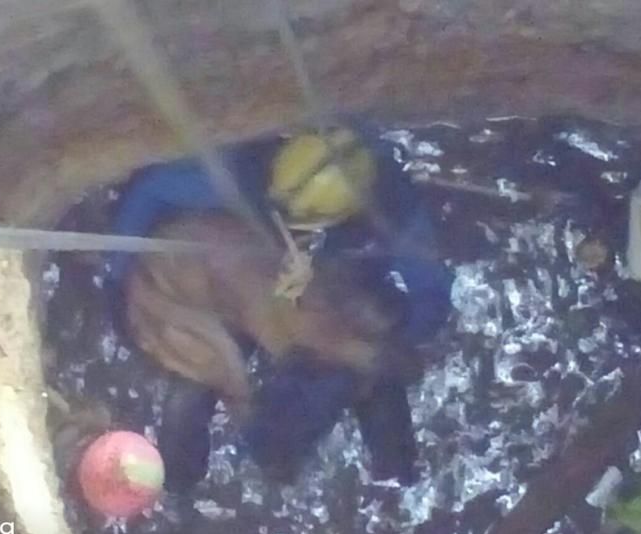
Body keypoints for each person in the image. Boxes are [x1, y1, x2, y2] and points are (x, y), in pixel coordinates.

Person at [109, 124, 452, 488]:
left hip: (336, 293)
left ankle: (398, 471)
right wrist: (118, 276)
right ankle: (180, 477)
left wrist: (384, 328)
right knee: (195, 390)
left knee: (376, 379)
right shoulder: (248, 176)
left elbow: (431, 293)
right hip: (241, 293)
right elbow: (151, 189)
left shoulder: (389, 199)